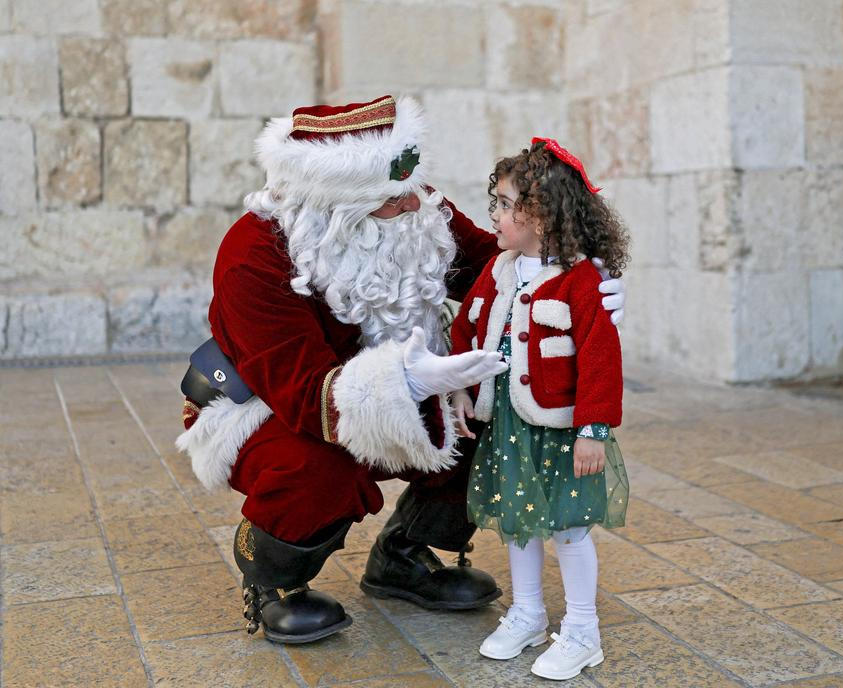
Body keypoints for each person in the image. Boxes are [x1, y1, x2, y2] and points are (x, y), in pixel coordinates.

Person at [175, 97, 627, 645]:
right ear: (334, 204)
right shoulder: (254, 256)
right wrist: (409, 383)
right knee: (318, 469)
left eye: (412, 185)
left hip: (414, 382)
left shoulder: (416, 206)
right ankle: (273, 577)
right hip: (273, 409)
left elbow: (496, 266)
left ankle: (402, 556)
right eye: (392, 198)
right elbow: (307, 398)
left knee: (488, 419)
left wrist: (576, 284)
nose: (414, 203)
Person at [449, 138, 630, 680]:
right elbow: (468, 327)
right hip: (509, 424)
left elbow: (600, 359)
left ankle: (582, 630)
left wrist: (593, 430)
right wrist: (460, 387)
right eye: (497, 202)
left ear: (544, 215)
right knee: (518, 521)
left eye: (506, 205)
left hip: (562, 429)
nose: (495, 215)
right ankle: (527, 612)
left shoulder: (581, 279)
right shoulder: (500, 269)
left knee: (569, 529)